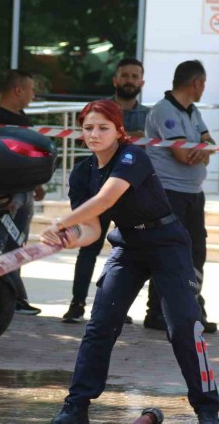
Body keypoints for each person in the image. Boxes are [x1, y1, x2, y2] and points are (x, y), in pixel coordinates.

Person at [41, 99, 219, 424]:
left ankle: (207, 412)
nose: (94, 134)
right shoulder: (82, 173)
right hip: (128, 246)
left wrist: (61, 223)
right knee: (100, 325)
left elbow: (107, 198)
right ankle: (75, 407)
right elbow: (93, 229)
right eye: (88, 128)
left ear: (118, 130)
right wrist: (68, 238)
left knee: (184, 327)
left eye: (103, 128)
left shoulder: (132, 156)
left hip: (167, 243)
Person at [63, 58, 149, 324]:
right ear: (115, 79)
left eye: (134, 76)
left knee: (129, 254)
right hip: (95, 184)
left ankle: (117, 308)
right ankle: (77, 304)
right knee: (88, 247)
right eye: (125, 75)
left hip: (130, 191)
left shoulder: (149, 116)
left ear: (142, 82)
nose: (129, 80)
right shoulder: (99, 109)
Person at [144, 60, 217, 334]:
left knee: (196, 252)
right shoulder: (165, 111)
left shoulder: (193, 111)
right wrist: (202, 150)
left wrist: (204, 149)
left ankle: (193, 309)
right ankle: (158, 312)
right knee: (168, 253)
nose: (203, 89)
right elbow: (184, 155)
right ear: (196, 83)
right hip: (170, 194)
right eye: (203, 83)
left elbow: (210, 143)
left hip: (194, 193)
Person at [0, 70, 44, 315]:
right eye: (31, 89)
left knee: (16, 248)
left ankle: (13, 297)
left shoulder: (22, 118)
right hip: (4, 195)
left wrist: (37, 183)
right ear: (18, 90)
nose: (33, 95)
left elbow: (30, 154)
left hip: (24, 193)